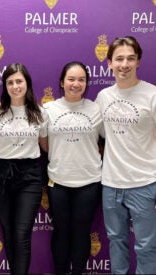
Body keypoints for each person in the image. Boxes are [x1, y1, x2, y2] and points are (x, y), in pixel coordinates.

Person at [95, 36, 156, 274]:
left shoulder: (152, 94)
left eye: (130, 58)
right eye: (119, 59)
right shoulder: (103, 97)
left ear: (138, 61)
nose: (125, 64)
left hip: (145, 183)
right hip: (111, 184)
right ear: (109, 63)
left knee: (146, 247)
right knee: (116, 242)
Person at [43, 61, 103, 274]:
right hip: (58, 181)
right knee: (61, 231)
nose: (76, 84)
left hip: (89, 182)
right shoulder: (49, 109)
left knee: (81, 232)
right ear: (62, 82)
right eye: (71, 79)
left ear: (86, 83)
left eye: (81, 80)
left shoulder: (96, 108)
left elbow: (107, 139)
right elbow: (43, 142)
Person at [0, 63, 48, 275]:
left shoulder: (40, 113)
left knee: (22, 234)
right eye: (10, 82)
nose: (15, 86)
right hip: (2, 175)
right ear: (5, 86)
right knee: (8, 232)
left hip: (30, 176)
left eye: (19, 81)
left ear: (27, 84)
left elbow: (46, 146)